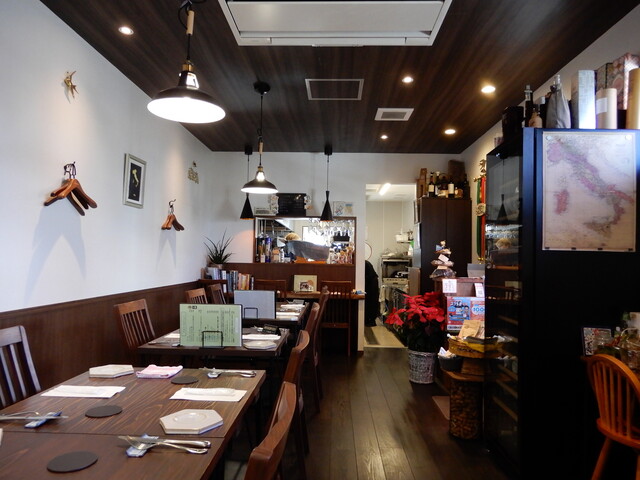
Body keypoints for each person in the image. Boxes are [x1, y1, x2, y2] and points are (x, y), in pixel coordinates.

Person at [364, 260, 380, 326]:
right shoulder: (366, 263)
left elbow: (367, 277)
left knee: (371, 302)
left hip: (371, 285)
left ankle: (370, 320)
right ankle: (370, 320)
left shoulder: (365, 263)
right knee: (372, 302)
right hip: (372, 284)